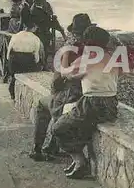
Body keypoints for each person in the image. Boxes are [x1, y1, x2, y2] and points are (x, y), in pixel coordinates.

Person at [54, 26, 119, 179]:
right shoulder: (111, 58)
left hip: (92, 104)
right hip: (111, 104)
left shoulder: (86, 59)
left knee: (58, 127)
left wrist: (65, 52)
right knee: (79, 125)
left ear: (87, 42)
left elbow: (64, 72)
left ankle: (79, 160)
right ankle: (78, 162)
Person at [28, 13, 95, 162]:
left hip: (69, 93)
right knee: (56, 109)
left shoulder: (70, 47)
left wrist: (56, 87)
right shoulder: (92, 47)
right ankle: (52, 148)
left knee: (42, 106)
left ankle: (37, 149)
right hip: (84, 93)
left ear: (74, 30)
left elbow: (62, 74)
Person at [7, 22, 44, 100]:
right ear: (34, 28)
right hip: (28, 60)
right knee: (29, 77)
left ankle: (13, 94)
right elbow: (36, 55)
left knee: (14, 76)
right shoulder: (36, 38)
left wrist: (9, 60)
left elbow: (9, 50)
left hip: (14, 59)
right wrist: (37, 63)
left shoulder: (15, 36)